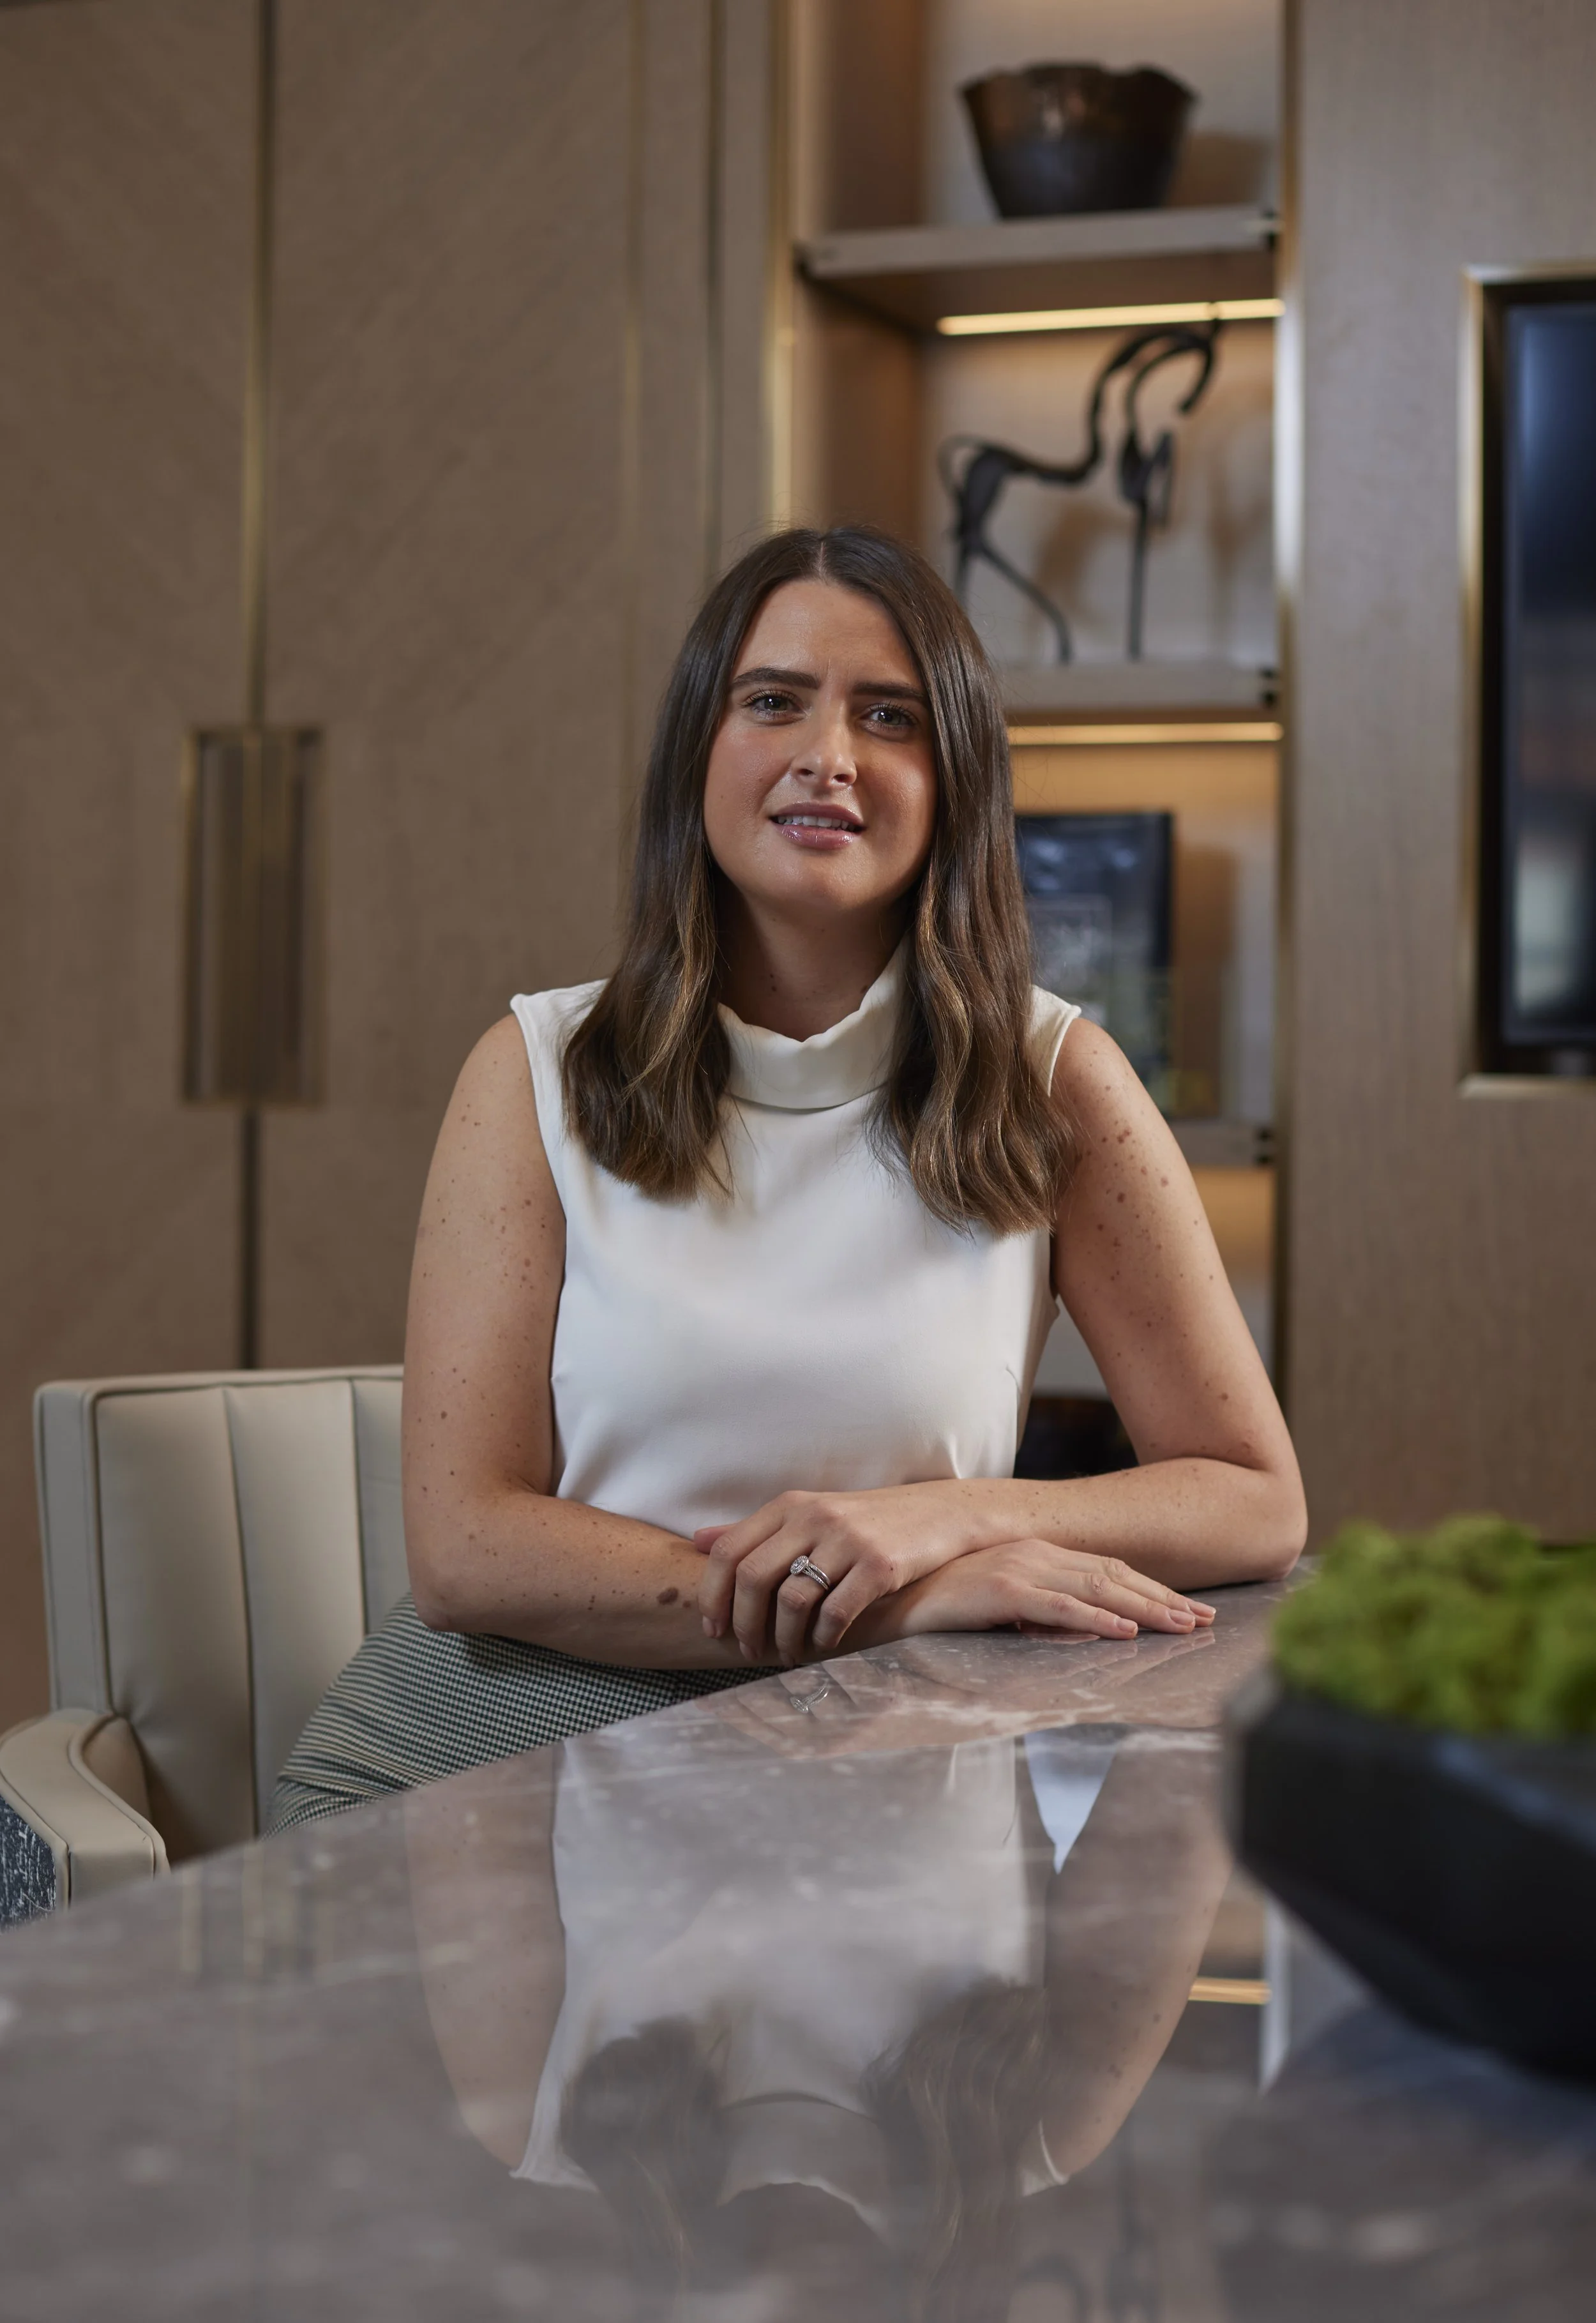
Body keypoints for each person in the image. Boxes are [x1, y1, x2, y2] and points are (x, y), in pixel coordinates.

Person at [268, 525, 1304, 1832]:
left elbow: (1252, 1496)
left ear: (954, 781)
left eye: (890, 717)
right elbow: (468, 1551)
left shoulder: (1055, 1081)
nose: (828, 756)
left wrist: (937, 1522)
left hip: (878, 1771)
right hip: (499, 1747)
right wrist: (893, 1602)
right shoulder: (535, 1067)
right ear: (699, 750)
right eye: (773, 702)